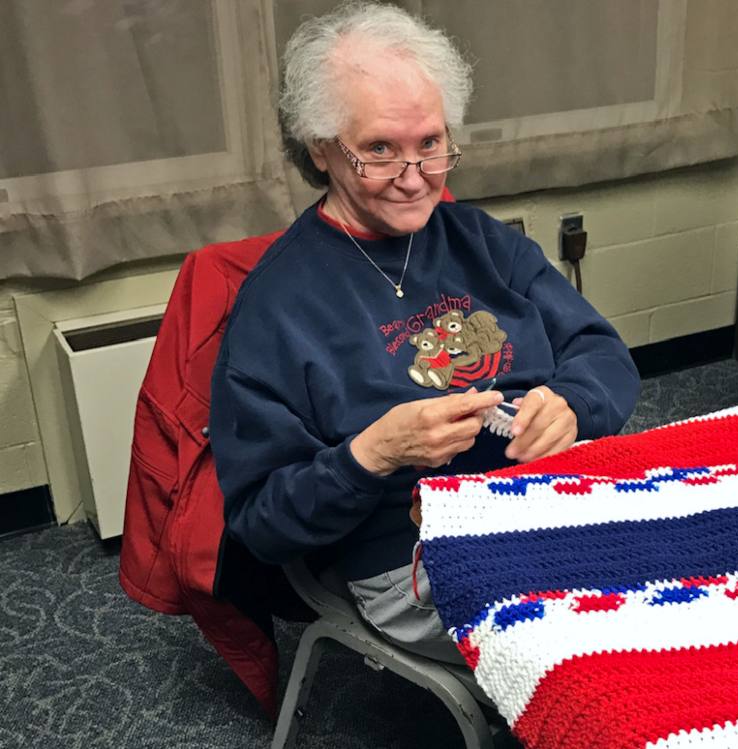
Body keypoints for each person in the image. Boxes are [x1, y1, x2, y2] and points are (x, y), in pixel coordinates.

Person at [210, 1, 640, 664]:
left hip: (549, 491)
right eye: (380, 150)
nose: (415, 180)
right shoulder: (278, 307)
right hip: (408, 551)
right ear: (322, 148)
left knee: (728, 573)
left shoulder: (478, 241)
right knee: (614, 640)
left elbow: (600, 350)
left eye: (431, 145)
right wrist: (372, 454)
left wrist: (572, 404)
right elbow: (263, 521)